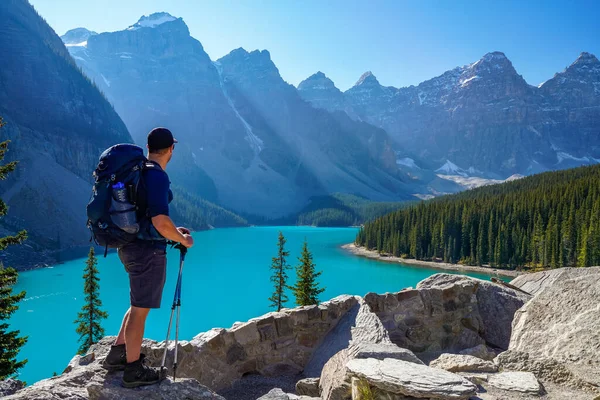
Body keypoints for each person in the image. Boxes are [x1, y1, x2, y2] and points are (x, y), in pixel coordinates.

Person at [101, 127, 194, 388]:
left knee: (136, 304)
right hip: (147, 252)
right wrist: (182, 239)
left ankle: (118, 353)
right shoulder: (157, 176)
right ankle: (133, 370)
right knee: (140, 311)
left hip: (129, 246)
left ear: (149, 146)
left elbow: (145, 218)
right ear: (171, 149)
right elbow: (160, 222)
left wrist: (173, 232)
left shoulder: (140, 172)